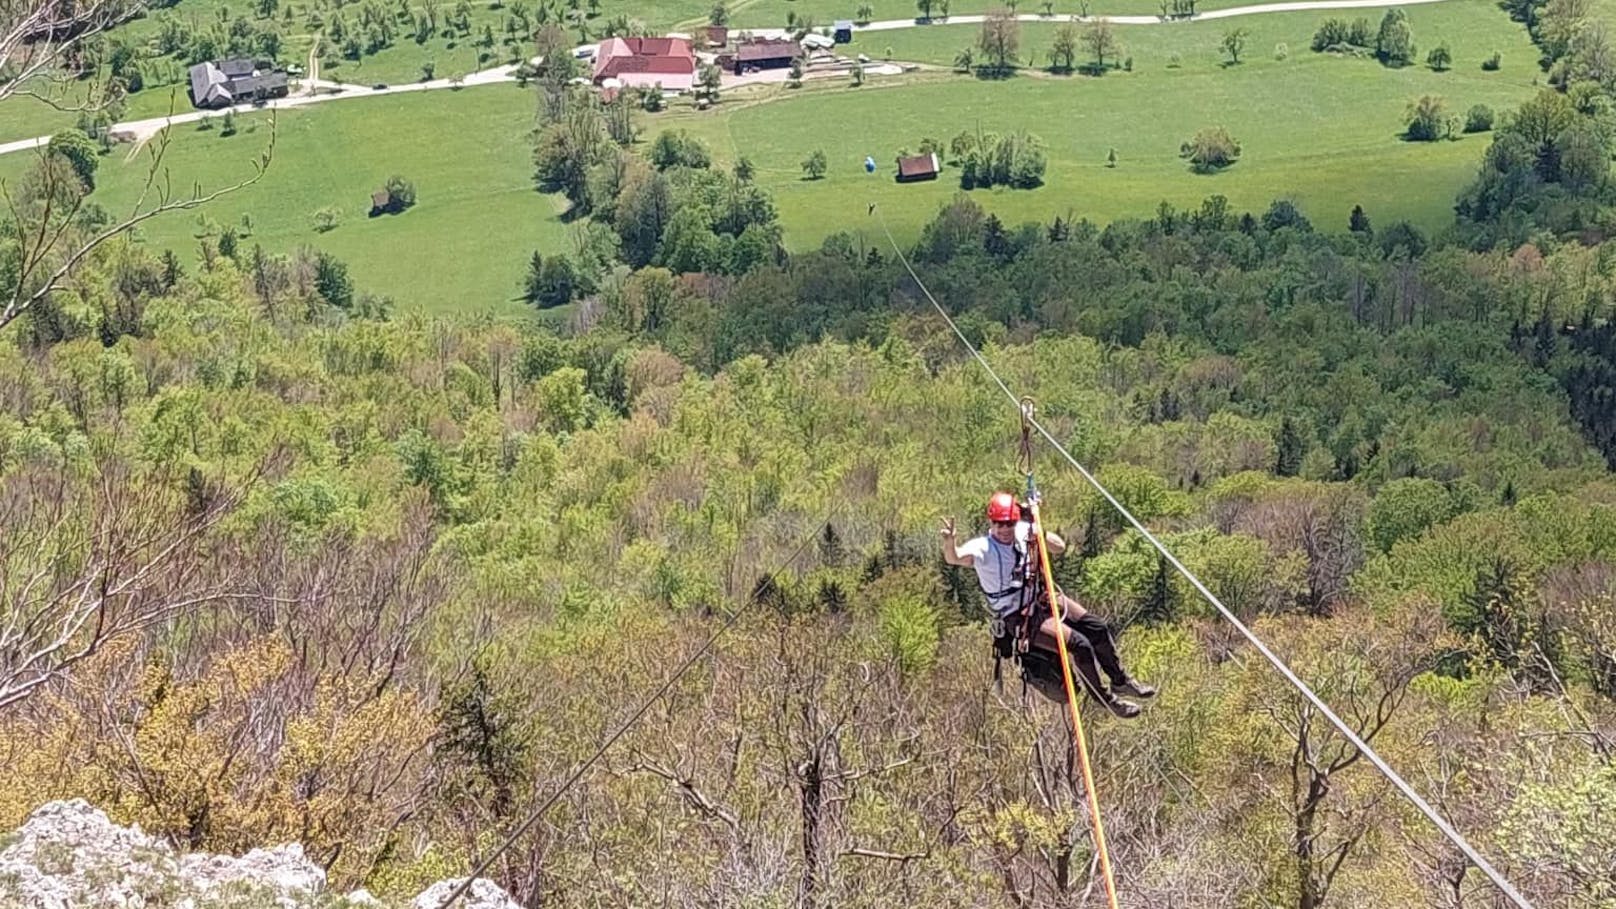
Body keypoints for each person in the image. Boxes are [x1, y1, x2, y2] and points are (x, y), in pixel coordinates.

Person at [941, 491, 1156, 718]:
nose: (1004, 529)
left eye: (1009, 523)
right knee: (1080, 645)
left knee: (1097, 628)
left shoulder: (1025, 531)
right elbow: (954, 557)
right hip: (1016, 614)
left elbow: (1059, 547)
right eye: (999, 524)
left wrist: (1036, 527)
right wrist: (949, 542)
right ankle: (1105, 698)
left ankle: (1120, 681)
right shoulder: (983, 548)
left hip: (1040, 596)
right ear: (990, 522)